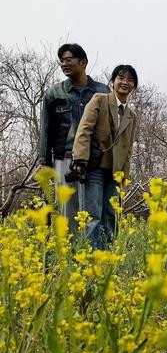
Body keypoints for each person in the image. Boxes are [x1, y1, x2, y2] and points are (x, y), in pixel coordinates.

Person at [38, 43, 110, 232]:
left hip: (96, 160)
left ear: (83, 62)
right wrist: (44, 161)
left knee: (95, 210)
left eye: (68, 60)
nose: (63, 64)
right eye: (61, 61)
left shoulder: (103, 92)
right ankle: (70, 257)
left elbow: (112, 128)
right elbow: (46, 129)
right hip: (65, 157)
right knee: (68, 210)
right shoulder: (54, 94)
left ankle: (95, 255)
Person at [72, 65, 139, 250]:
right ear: (113, 81)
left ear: (134, 86)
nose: (125, 82)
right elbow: (84, 130)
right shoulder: (99, 100)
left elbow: (128, 150)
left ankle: (107, 257)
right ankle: (93, 259)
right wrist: (79, 159)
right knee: (92, 215)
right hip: (93, 167)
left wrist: (124, 176)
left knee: (111, 215)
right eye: (121, 77)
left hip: (115, 172)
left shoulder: (132, 116)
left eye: (130, 80)